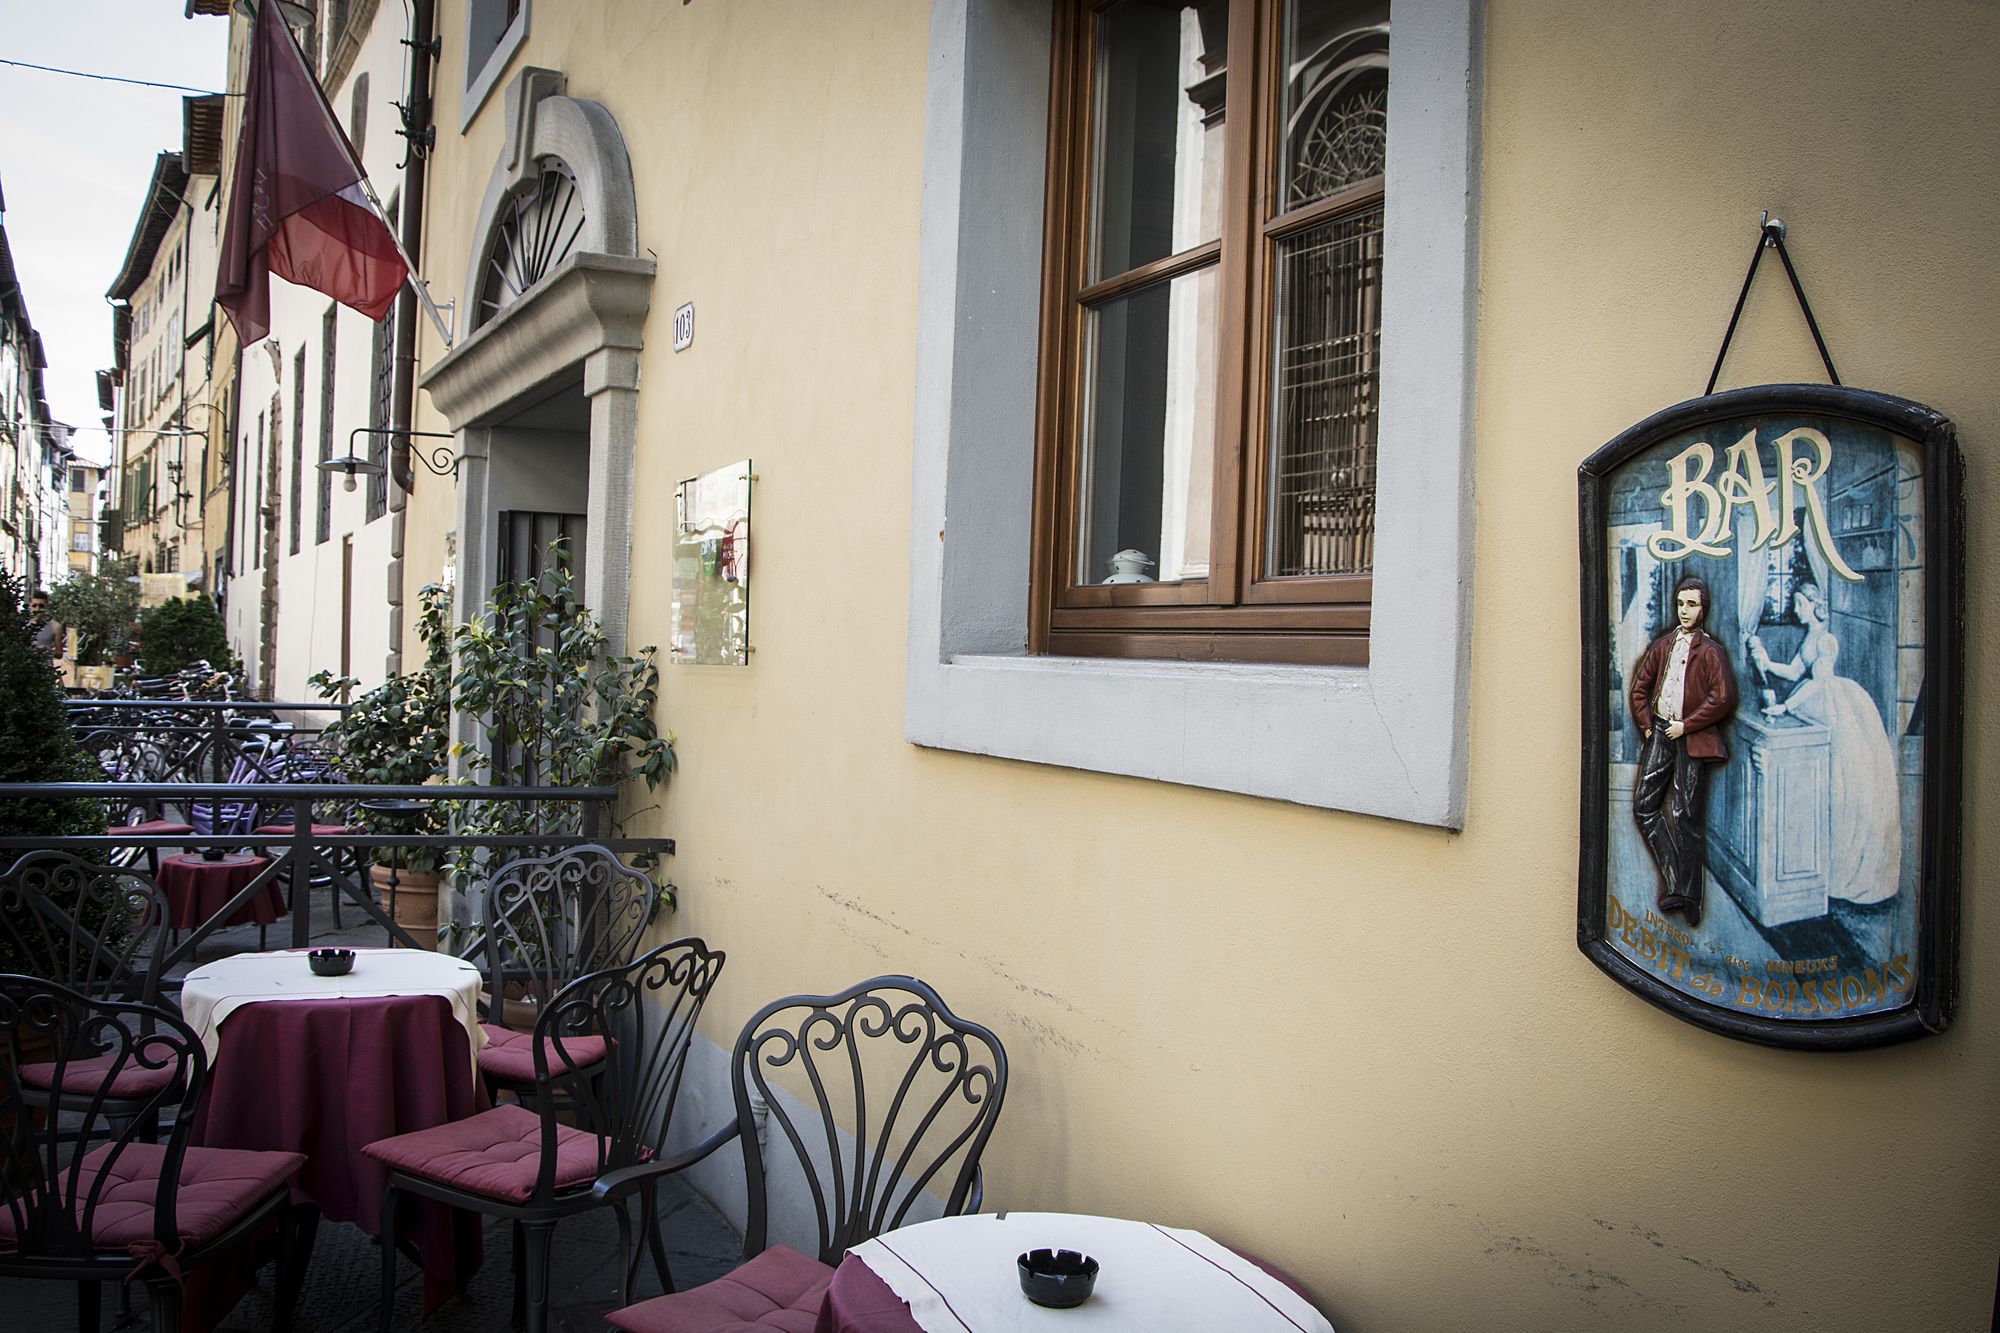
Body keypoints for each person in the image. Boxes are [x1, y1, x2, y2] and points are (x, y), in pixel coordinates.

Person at [1747, 582, 1901, 903]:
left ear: (1814, 605)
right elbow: (1792, 672)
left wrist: (1786, 706)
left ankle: (1842, 868)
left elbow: (1818, 683)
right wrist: (1766, 662)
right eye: (1795, 603)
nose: (1796, 609)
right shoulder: (1809, 638)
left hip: (1832, 708)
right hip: (1815, 701)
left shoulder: (1825, 639)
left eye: (1800, 603)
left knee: (1842, 785)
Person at [1627, 575, 1736, 927]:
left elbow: (1722, 699)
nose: (1685, 610)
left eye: (1692, 604)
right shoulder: (1663, 646)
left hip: (1690, 737)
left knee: (1686, 815)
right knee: (1645, 807)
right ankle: (1678, 882)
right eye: (1680, 604)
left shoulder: (1711, 652)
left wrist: (1686, 725)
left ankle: (1689, 897)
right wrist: (1647, 725)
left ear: (1703, 609)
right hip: (1660, 732)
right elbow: (1640, 689)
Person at [27, 589, 63, 662]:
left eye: (41, 606)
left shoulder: (55, 626)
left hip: (44, 668)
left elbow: (59, 654)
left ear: (47, 606)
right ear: (30, 606)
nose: (37, 609)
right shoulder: (22, 625)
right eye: (34, 605)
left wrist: (48, 651)